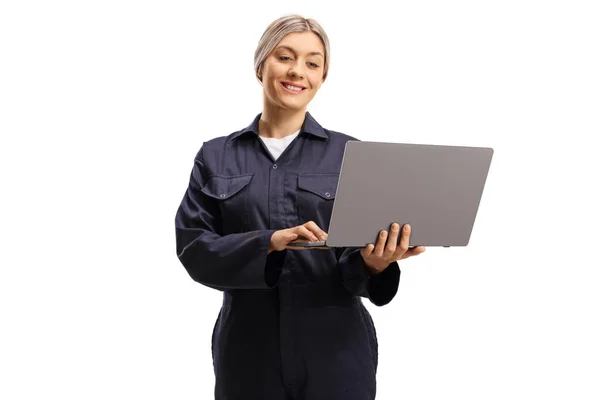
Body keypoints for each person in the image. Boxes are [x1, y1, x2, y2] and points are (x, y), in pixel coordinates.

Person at [175, 14, 426, 400]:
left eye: (313, 63)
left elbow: (352, 266)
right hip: (248, 355)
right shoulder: (216, 156)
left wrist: (376, 263)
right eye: (285, 57)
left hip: (336, 352)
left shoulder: (350, 155)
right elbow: (195, 249)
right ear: (261, 65)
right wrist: (269, 242)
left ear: (323, 77)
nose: (298, 71)